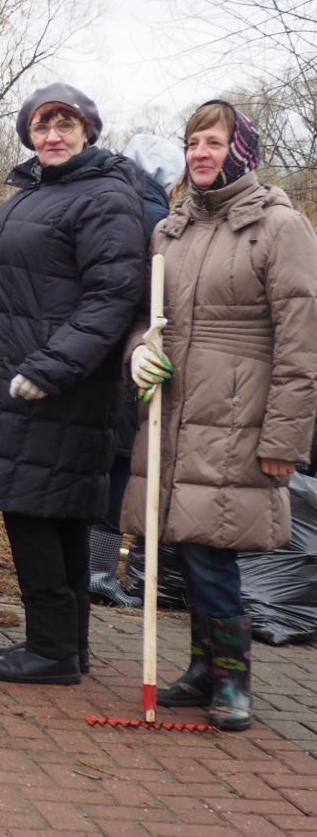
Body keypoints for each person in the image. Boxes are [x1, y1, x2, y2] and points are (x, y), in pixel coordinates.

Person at [125, 101, 317, 730]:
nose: (200, 153)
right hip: (175, 411)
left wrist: (286, 434)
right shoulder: (171, 229)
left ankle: (235, 679)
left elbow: (301, 342)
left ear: (242, 151)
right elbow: (150, 320)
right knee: (181, 544)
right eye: (192, 143)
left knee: (213, 550)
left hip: (238, 414)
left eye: (213, 142)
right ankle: (204, 669)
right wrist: (139, 354)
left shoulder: (279, 228)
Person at [0, 84, 145, 686]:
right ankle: (65, 645)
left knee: (34, 512)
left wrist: (50, 368)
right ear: (27, 134)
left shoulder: (105, 197)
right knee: (49, 513)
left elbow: (114, 296)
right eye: (42, 126)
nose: (53, 135)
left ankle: (52, 650)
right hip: (13, 378)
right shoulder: (31, 193)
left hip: (56, 387)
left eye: (66, 124)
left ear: (88, 130)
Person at [88, 134, 184, 609]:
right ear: (175, 178)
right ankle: (99, 572)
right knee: (124, 460)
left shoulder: (103, 203)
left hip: (89, 352)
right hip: (134, 355)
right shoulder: (164, 224)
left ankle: (86, 567)